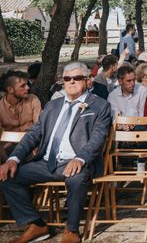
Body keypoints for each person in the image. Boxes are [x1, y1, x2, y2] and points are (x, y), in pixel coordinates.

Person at [0, 63, 111, 243]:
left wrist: (80, 158)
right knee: (6, 175)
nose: (72, 82)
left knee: (76, 178)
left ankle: (72, 230)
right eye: (67, 79)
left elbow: (98, 138)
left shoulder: (99, 106)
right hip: (46, 162)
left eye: (77, 78)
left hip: (77, 161)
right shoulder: (53, 105)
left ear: (87, 81)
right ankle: (36, 224)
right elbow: (34, 134)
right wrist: (13, 158)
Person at [0, 71, 42, 162]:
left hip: (32, 144)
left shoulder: (33, 100)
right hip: (8, 148)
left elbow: (39, 126)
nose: (27, 87)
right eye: (22, 86)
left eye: (27, 84)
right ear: (10, 90)